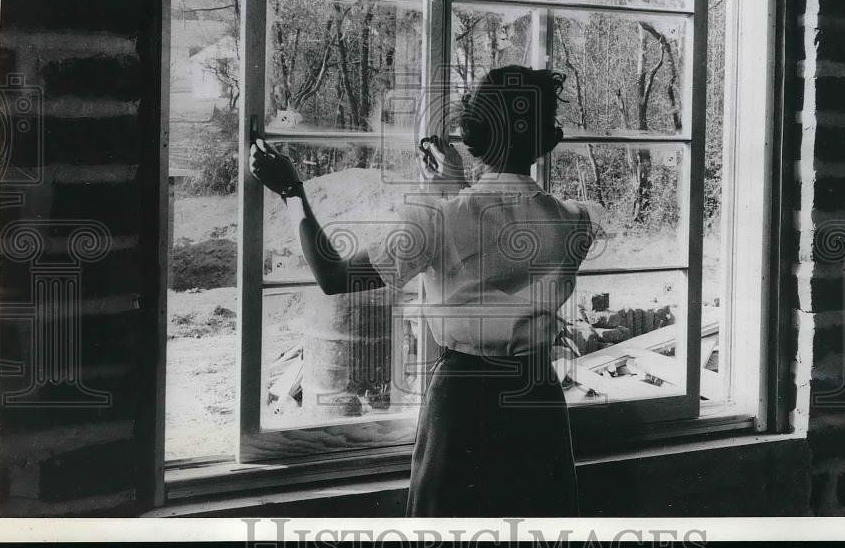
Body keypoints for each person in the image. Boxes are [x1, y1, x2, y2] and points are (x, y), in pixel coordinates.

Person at [249, 65, 599, 517]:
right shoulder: (575, 222)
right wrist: (454, 190)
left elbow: (333, 275)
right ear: (549, 140)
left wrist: (292, 191)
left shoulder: (437, 218)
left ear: (471, 137)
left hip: (462, 403)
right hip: (537, 398)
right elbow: (502, 228)